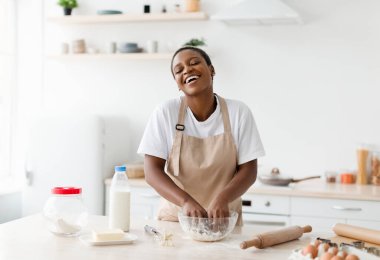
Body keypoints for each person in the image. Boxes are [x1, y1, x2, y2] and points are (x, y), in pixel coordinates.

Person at [137, 46, 265, 225]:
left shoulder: (238, 112)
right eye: (179, 70)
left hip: (224, 220)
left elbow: (249, 170)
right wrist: (186, 202)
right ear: (177, 82)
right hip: (176, 219)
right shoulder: (166, 112)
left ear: (211, 70)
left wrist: (223, 199)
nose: (187, 70)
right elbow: (152, 172)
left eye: (194, 63)